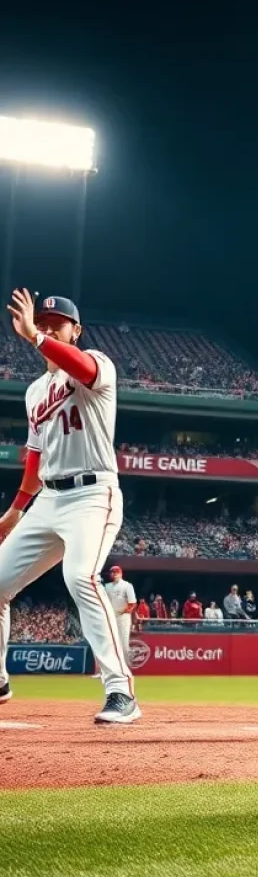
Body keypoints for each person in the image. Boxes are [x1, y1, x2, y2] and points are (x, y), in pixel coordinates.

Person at [0, 291, 139, 723]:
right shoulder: (35, 391)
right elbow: (35, 458)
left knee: (80, 576)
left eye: (56, 323)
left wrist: (36, 341)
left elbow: (81, 367)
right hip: (49, 498)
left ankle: (121, 693)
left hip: (93, 494)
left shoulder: (97, 364)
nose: (46, 326)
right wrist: (14, 512)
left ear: (75, 331)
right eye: (41, 321)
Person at [103, 565, 137, 663]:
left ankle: (126, 667)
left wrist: (124, 611)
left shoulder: (127, 585)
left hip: (123, 617)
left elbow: (132, 603)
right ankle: (109, 668)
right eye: (112, 572)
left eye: (116, 572)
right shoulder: (107, 586)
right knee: (109, 643)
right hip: (110, 616)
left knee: (123, 643)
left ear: (121, 573)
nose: (114, 574)